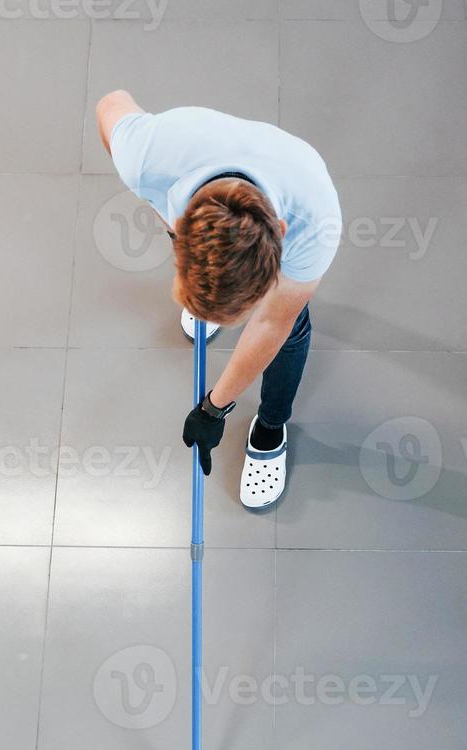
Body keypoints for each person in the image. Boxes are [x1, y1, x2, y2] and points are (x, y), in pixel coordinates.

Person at [95, 91, 341, 509]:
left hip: (291, 181)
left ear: (281, 232)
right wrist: (152, 198)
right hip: (182, 178)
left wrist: (215, 408)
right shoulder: (146, 157)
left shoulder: (314, 220)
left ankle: (271, 427)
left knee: (291, 327)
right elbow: (109, 105)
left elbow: (270, 323)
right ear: (180, 227)